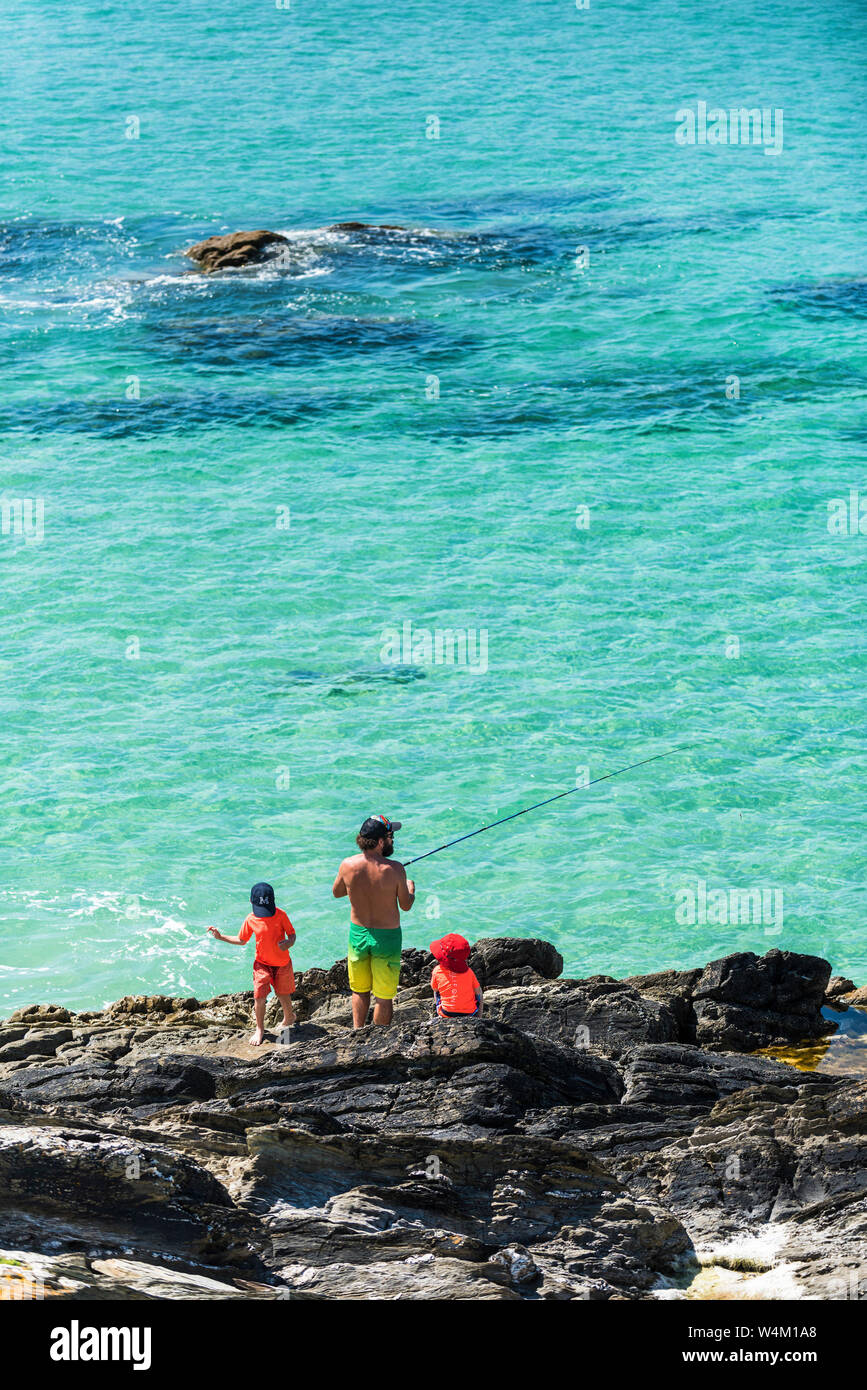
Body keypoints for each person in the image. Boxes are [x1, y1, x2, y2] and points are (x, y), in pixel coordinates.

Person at [332, 814, 414, 1028]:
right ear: (380, 842)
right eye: (390, 836)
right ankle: (379, 1039)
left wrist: (357, 885)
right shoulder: (396, 869)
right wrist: (411, 887)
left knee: (359, 990)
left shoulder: (347, 865)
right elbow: (406, 905)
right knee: (384, 996)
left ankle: (358, 1033)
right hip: (386, 938)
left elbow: (337, 892)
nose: (392, 839)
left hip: (358, 934)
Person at [207, 882, 296, 1046]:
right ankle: (260, 1029)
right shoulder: (251, 919)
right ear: (251, 902)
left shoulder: (281, 915)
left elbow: (292, 934)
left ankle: (289, 1017)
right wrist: (220, 937)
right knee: (259, 997)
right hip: (262, 964)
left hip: (282, 963)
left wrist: (288, 943)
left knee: (283, 993)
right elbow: (241, 940)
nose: (265, 914)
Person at [430, 934, 483, 1018]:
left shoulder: (437, 970)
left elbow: (435, 989)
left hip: (447, 1013)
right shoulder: (469, 972)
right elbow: (477, 992)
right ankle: (479, 1016)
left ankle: (439, 1013)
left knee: (437, 992)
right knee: (479, 989)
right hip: (469, 1013)